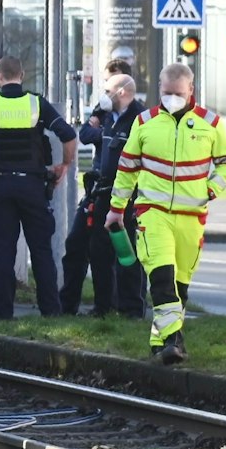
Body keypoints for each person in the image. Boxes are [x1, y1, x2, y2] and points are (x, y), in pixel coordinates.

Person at [110, 62, 226, 365]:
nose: (172, 98)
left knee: (179, 284)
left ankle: (161, 343)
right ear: (160, 89)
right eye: (167, 93)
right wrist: (116, 210)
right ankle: (174, 340)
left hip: (191, 217)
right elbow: (127, 168)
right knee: (162, 277)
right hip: (153, 214)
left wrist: (211, 190)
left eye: (178, 93)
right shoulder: (144, 122)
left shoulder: (211, 123)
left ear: (191, 90)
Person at [0, 56, 77, 320]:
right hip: (33, 186)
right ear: (21, 75)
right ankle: (51, 312)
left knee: (4, 252)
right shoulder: (37, 104)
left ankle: (3, 314)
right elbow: (68, 135)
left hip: (1, 187)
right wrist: (64, 165)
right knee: (42, 250)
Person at [66, 72, 145, 318]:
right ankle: (102, 307)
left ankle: (131, 309)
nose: (104, 95)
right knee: (98, 250)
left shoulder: (140, 119)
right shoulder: (105, 112)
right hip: (101, 192)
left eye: (108, 90)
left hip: (128, 194)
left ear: (122, 92)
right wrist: (99, 131)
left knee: (126, 253)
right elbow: (85, 134)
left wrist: (99, 132)